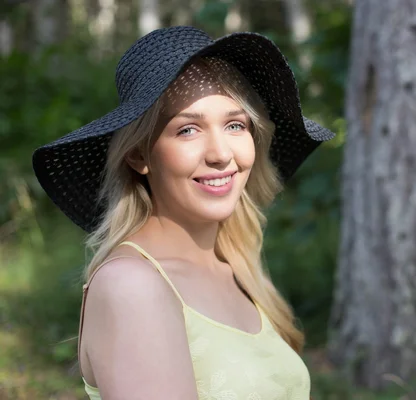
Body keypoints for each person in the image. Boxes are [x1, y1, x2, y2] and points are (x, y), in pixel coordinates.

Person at [32, 26, 334, 399]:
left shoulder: (236, 268)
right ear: (139, 155)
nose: (221, 153)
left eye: (235, 124)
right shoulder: (133, 286)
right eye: (188, 130)